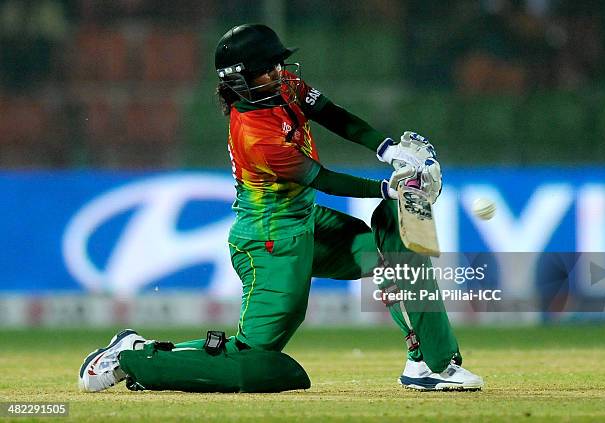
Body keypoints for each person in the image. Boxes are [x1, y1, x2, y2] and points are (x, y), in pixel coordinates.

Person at [78, 24, 484, 393]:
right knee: (253, 354)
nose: (278, 73)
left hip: (305, 222)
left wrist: (385, 147)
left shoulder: (284, 85)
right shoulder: (255, 135)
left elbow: (331, 114)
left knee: (387, 257)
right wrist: (387, 188)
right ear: (238, 80)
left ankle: (427, 363)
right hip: (270, 242)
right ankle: (133, 357)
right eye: (265, 69)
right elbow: (320, 178)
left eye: (277, 64)